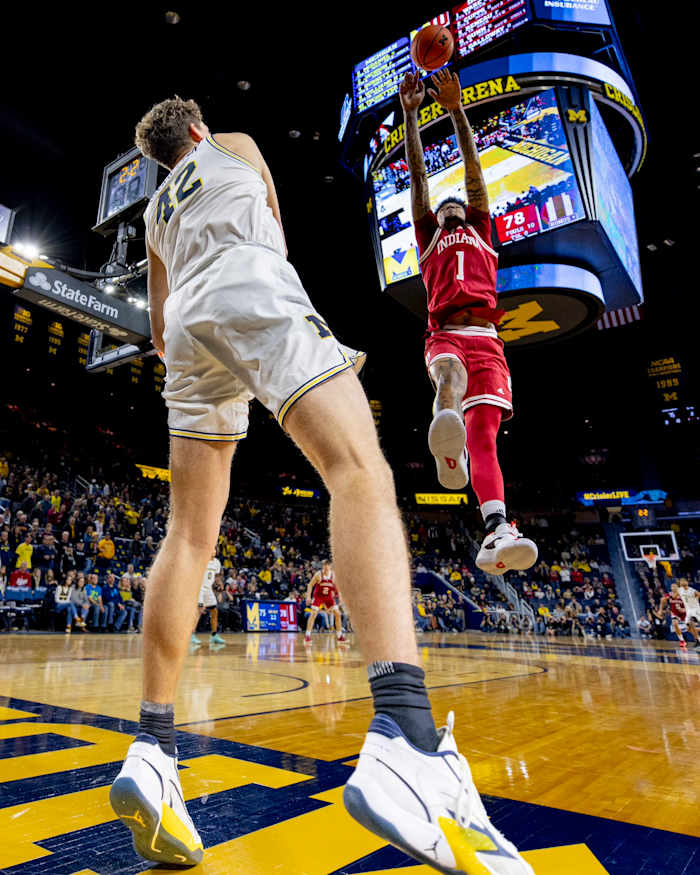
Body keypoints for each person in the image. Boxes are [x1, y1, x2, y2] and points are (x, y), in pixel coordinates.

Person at [109, 95, 533, 875]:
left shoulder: (154, 213)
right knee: (357, 467)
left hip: (189, 326)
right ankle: (407, 733)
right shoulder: (233, 141)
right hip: (247, 278)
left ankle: (152, 746)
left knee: (189, 535)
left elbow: (159, 332)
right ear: (196, 130)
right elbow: (274, 222)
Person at [399, 70, 537, 577]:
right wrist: (411, 116)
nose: (451, 204)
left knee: (485, 437)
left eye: (458, 201)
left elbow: (474, 167)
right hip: (446, 334)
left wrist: (457, 111)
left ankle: (496, 527)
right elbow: (419, 179)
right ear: (436, 218)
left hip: (488, 340)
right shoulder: (429, 237)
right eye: (445, 206)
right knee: (449, 381)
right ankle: (446, 438)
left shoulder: (481, 228)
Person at [304, 560, 346, 643]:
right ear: (322, 566)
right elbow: (310, 585)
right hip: (318, 597)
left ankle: (340, 636)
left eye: (327, 565)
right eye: (324, 565)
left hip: (328, 597)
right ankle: (307, 635)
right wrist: (308, 597)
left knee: (337, 613)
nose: (326, 567)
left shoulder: (333, 575)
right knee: (313, 613)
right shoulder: (318, 574)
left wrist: (340, 597)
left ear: (330, 566)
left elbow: (337, 588)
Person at [191, 553, 226, 648]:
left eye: (215, 549)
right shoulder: (201, 559)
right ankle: (191, 635)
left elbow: (216, 577)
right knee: (198, 611)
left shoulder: (217, 562)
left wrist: (219, 587)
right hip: (199, 588)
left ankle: (214, 635)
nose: (213, 551)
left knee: (214, 610)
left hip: (208, 589)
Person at [678, 577, 700, 647]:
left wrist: (695, 600)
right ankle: (698, 639)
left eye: (683, 581)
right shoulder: (680, 590)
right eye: (681, 581)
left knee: (691, 623)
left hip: (695, 609)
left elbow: (699, 594)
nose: (682, 582)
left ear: (686, 582)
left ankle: (697, 640)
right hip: (688, 610)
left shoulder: (691, 590)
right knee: (688, 629)